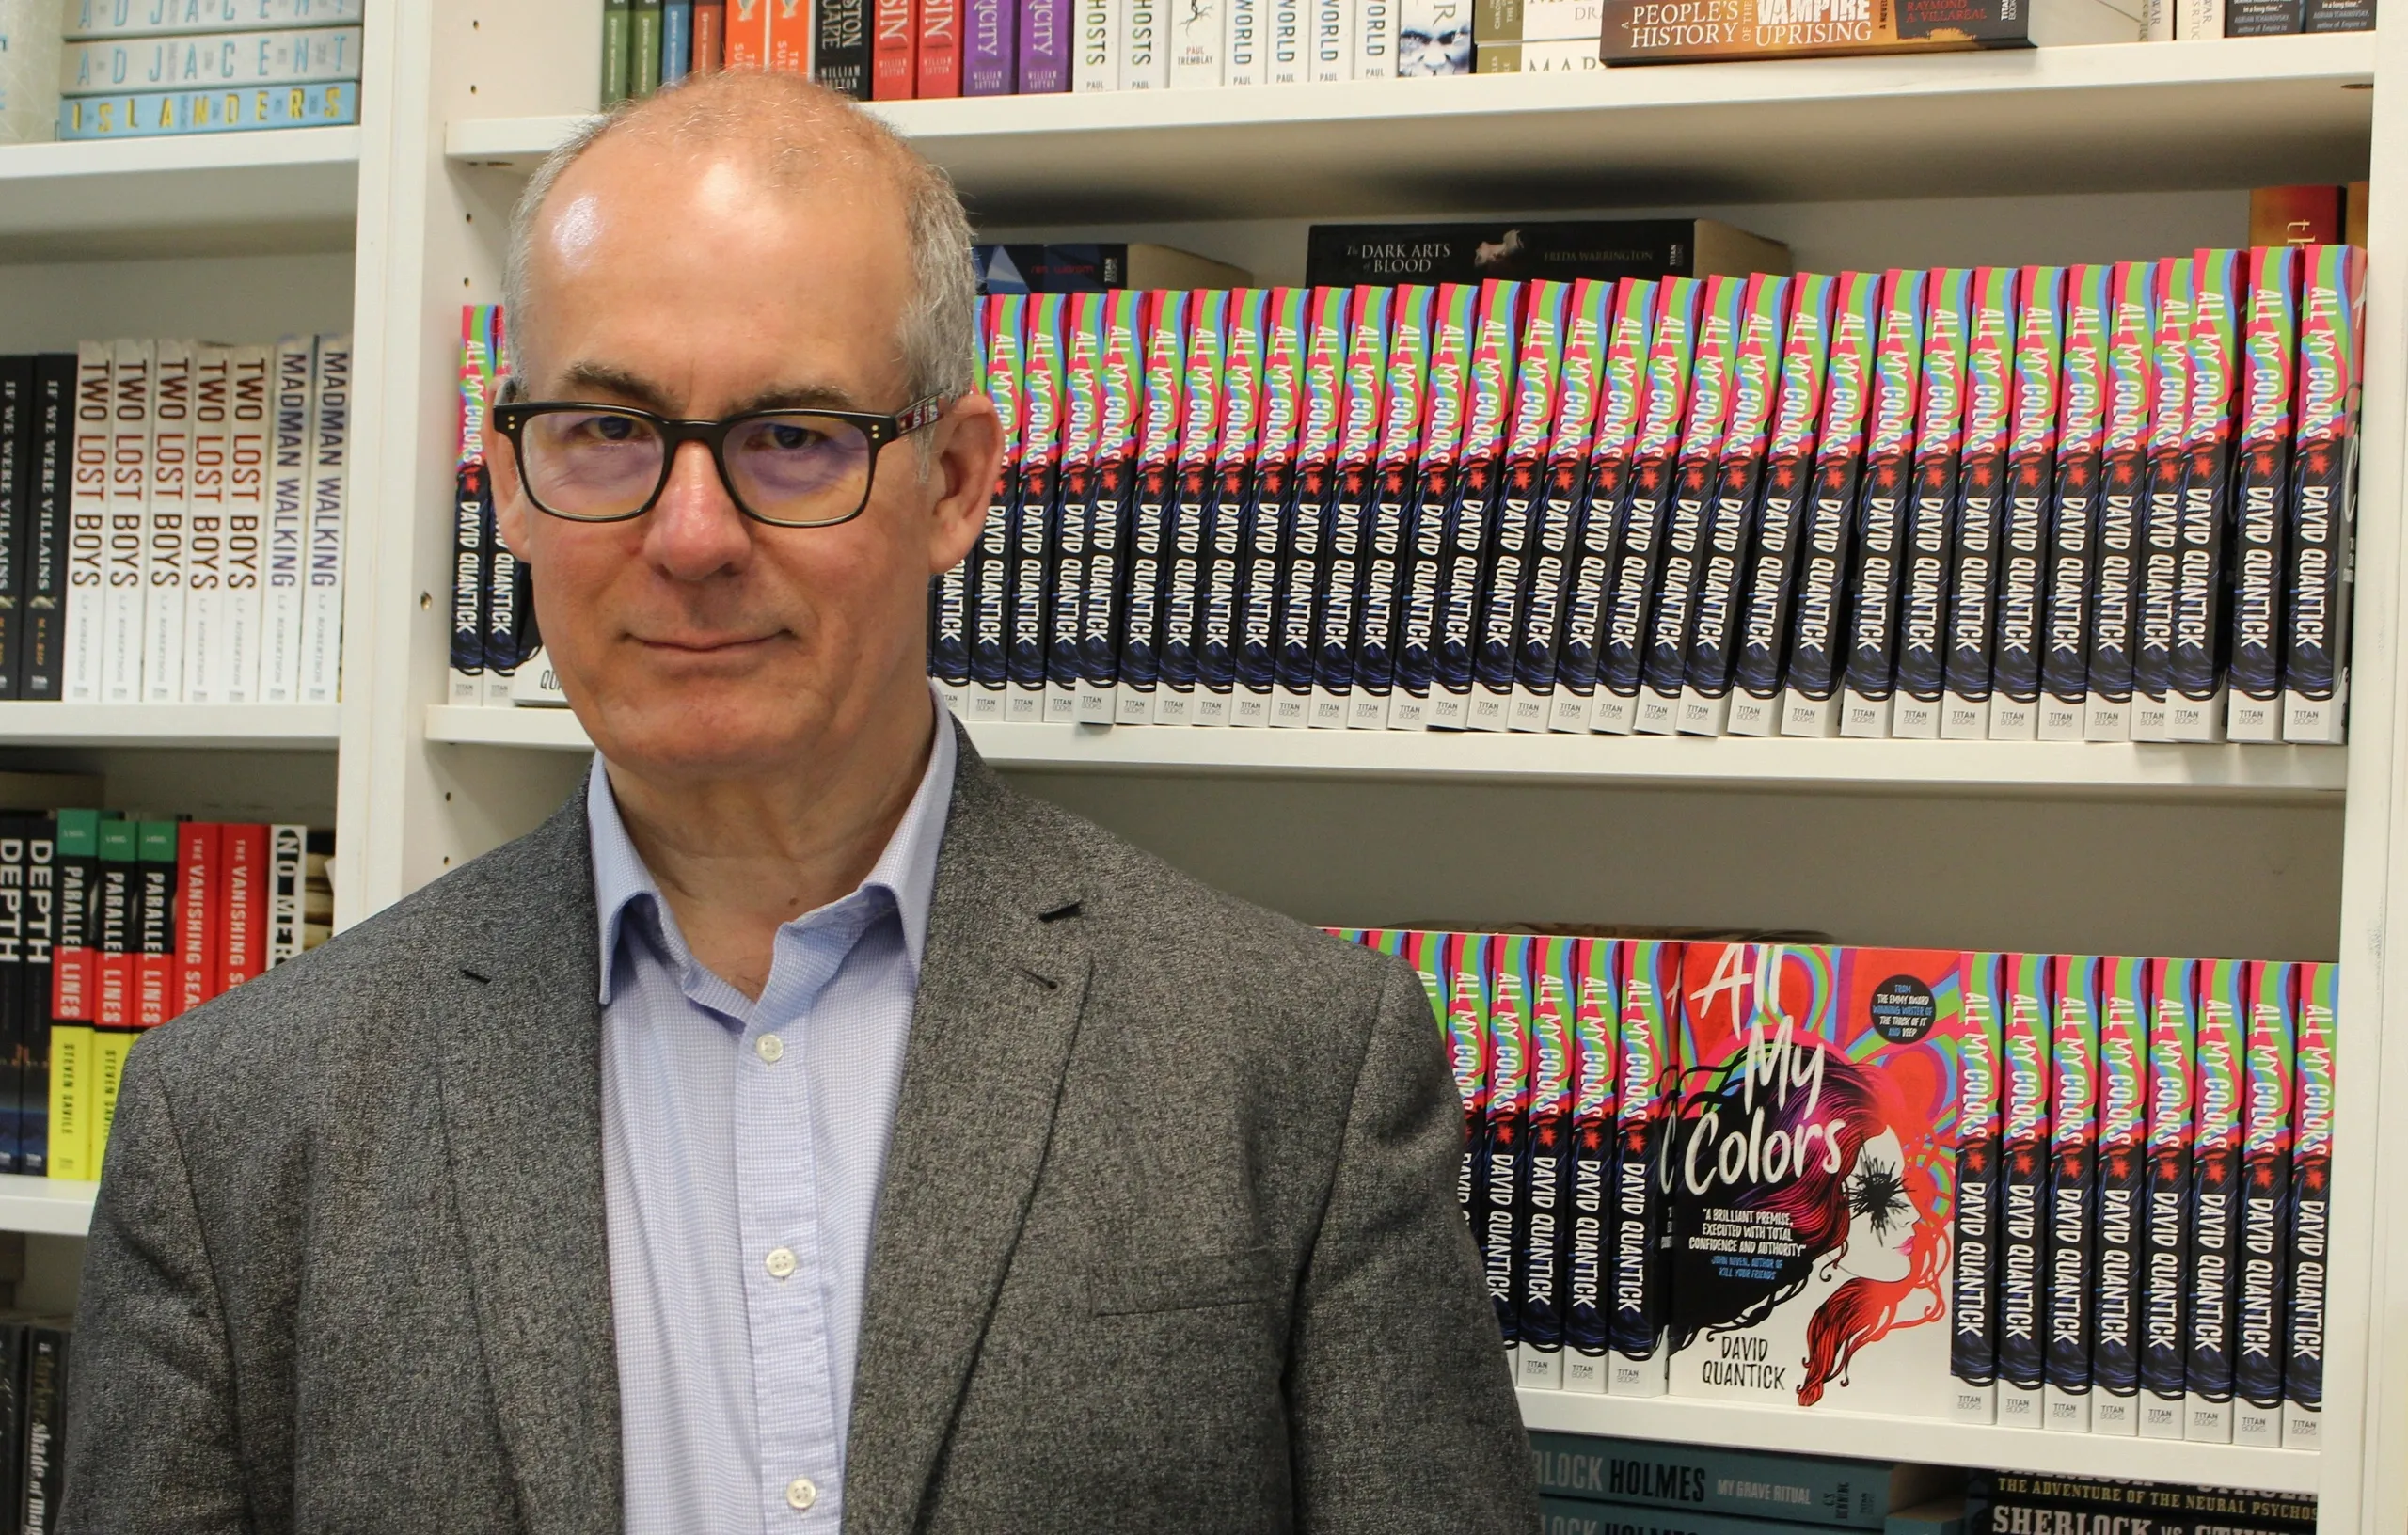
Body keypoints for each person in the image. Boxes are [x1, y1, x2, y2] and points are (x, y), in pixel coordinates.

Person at [60, 70, 1535, 1535]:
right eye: (607, 431)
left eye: (792, 437)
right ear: (507, 478)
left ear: (956, 481)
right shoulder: (240, 1122)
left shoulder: (1291, 1071)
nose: (690, 536)